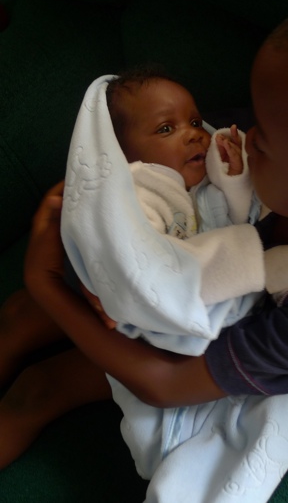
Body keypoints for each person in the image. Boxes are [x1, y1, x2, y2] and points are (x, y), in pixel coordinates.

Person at [1, 0, 288, 498]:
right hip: (164, 266)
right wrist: (94, 213)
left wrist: (48, 283)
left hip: (189, 352)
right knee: (19, 316)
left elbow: (165, 385)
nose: (240, 135)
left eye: (264, 142)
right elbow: (135, 170)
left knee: (39, 388)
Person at [62, 68, 263, 352]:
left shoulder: (201, 183)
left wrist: (234, 180)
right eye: (166, 129)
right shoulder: (138, 193)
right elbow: (142, 269)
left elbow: (238, 222)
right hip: (161, 329)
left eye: (195, 122)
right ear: (120, 151)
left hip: (223, 309)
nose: (194, 134)